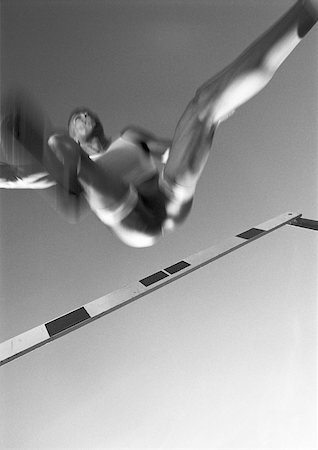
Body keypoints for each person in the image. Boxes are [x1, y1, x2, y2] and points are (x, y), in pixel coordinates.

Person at [1, 0, 318, 247]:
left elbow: (169, 148)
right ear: (78, 134)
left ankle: (308, 10)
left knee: (204, 102)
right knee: (66, 155)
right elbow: (14, 175)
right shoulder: (71, 155)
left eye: (85, 113)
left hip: (168, 197)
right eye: (76, 118)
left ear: (98, 123)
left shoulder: (129, 136)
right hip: (130, 219)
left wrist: (203, 127)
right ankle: (75, 172)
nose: (82, 115)